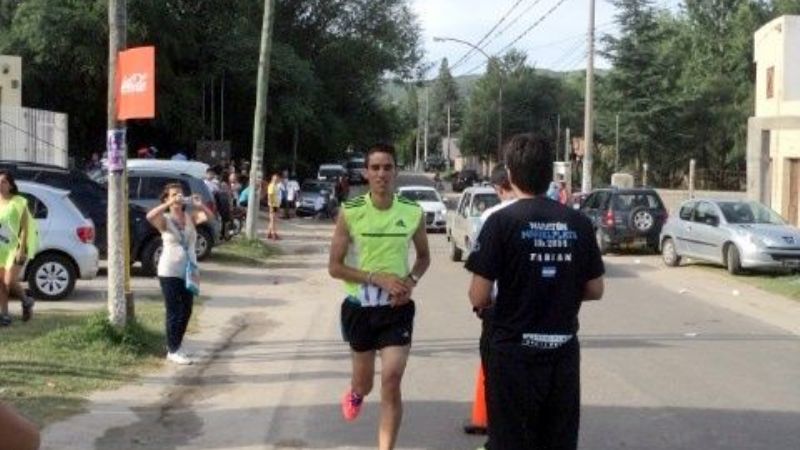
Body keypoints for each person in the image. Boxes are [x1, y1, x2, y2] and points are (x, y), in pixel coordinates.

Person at [465, 133, 605, 449]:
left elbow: (477, 295)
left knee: (510, 440)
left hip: (512, 353)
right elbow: (595, 289)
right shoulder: (578, 222)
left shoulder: (500, 222)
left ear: (510, 175)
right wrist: (561, 288)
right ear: (549, 176)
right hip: (562, 353)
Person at [328, 143, 430, 450]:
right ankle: (356, 392)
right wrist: (376, 278)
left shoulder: (412, 212)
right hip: (360, 308)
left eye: (387, 167)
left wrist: (409, 281)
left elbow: (424, 258)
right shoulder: (351, 212)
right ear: (365, 173)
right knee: (366, 383)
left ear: (395, 171)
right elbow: (335, 267)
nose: (381, 174)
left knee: (391, 380)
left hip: (396, 309)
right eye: (375, 168)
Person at [472, 164, 517, 446]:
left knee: (498, 380)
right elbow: (593, 288)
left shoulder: (492, 217)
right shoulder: (567, 218)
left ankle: (496, 440)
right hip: (549, 316)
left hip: (501, 312)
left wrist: (482, 305)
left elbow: (479, 288)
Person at [146, 183, 213, 365]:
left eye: (180, 194)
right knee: (174, 310)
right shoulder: (165, 220)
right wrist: (168, 205)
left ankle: (178, 345)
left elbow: (209, 217)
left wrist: (199, 204)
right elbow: (150, 216)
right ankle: (172, 349)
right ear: (167, 198)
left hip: (190, 270)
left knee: (187, 309)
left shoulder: (189, 217)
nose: (178, 197)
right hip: (170, 271)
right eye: (174, 194)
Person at [0, 171, 38, 327]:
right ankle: (5, 315)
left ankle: (26, 300)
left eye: (3, 182)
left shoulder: (19, 202)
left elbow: (25, 228)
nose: (0, 185)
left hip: (16, 247)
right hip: (1, 247)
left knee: (9, 281)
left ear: (10, 185)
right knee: (1, 282)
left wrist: (21, 249)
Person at [266, 173, 281, 240]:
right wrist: (271, 205)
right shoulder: (271, 186)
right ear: (272, 179)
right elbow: (269, 196)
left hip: (276, 205)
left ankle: (269, 234)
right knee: (272, 220)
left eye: (277, 179)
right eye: (275, 179)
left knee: (273, 220)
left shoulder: (276, 186)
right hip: (272, 205)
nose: (276, 180)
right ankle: (273, 234)